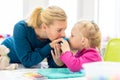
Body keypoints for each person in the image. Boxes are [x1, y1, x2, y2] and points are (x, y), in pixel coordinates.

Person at [1, 6, 67, 68]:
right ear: (44, 27)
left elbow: (51, 63)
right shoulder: (21, 27)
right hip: (5, 54)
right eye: (59, 30)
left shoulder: (53, 37)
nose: (64, 35)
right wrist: (49, 47)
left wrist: (58, 62)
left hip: (22, 64)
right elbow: (27, 61)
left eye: (64, 29)